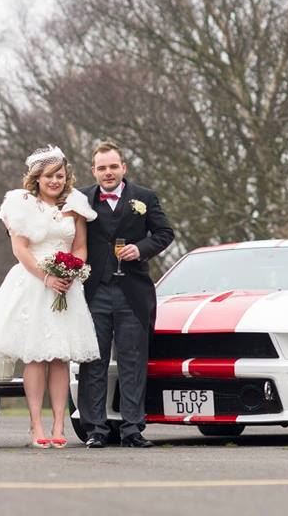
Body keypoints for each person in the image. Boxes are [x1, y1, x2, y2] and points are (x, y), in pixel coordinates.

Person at [0, 145, 101, 448]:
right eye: (49, 175)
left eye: (60, 175)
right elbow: (20, 248)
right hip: (33, 282)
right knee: (36, 355)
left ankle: (60, 423)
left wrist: (71, 271)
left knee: (60, 356)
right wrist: (46, 276)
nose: (55, 181)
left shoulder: (75, 204)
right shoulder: (21, 203)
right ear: (37, 178)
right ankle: (36, 424)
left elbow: (79, 245)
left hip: (65, 284)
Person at [77, 141, 174, 448]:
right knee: (94, 361)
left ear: (123, 168)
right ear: (93, 171)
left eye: (113, 166)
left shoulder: (144, 198)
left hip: (133, 292)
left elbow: (164, 233)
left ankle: (133, 428)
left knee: (133, 361)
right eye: (102, 168)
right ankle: (95, 429)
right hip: (94, 292)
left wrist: (141, 249)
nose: (108, 173)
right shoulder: (80, 199)